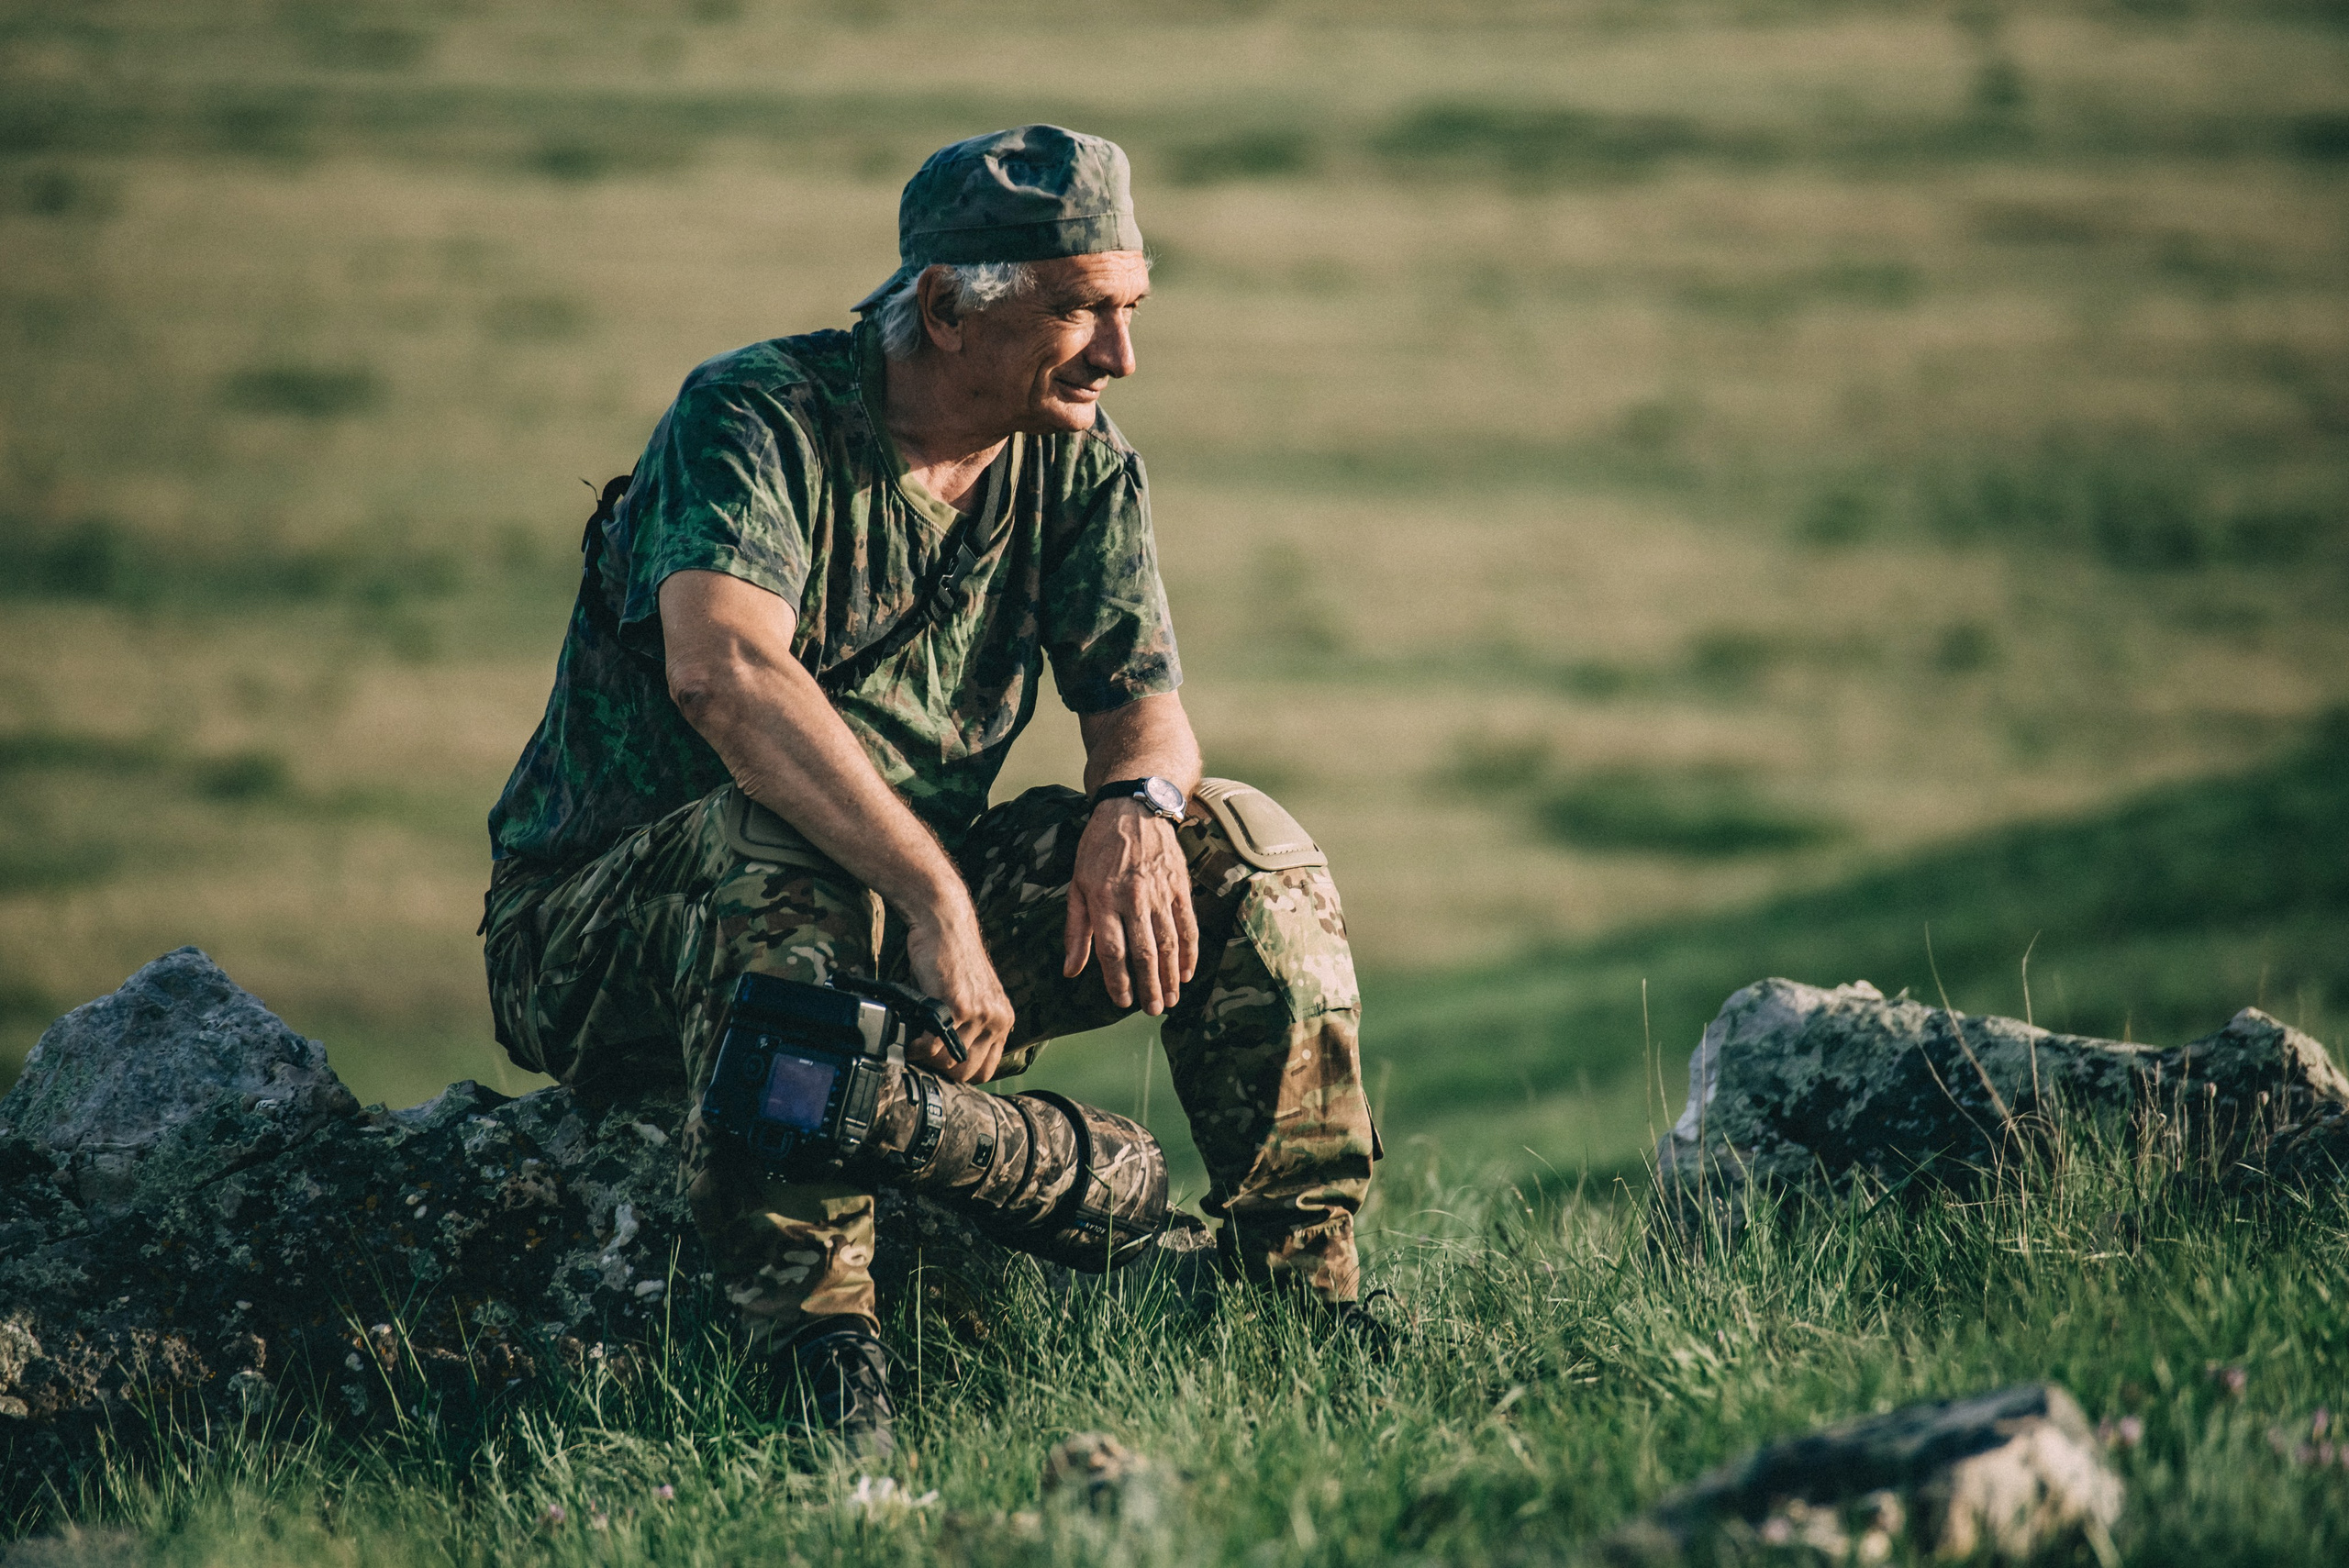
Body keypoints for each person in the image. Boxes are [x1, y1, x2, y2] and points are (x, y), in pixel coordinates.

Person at [480, 125, 1378, 1452]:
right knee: (776, 840)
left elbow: (1144, 714)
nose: (1121, 355)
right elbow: (724, 673)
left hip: (890, 930)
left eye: (1131, 309)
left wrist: (1136, 810)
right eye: (1082, 311)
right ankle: (819, 1356)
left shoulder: (1076, 459)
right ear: (950, 309)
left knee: (1236, 844)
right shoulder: (754, 418)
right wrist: (933, 899)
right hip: (605, 933)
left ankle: (1302, 1304)